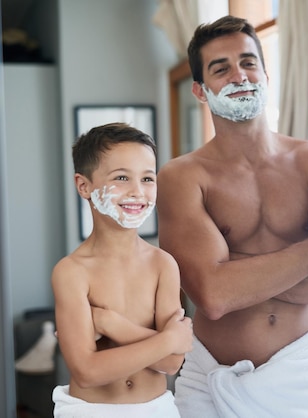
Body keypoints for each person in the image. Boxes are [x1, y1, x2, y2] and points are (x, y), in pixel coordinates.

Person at [156, 15, 308, 418]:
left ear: (266, 73)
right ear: (201, 91)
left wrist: (234, 275)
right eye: (221, 68)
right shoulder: (181, 177)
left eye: (248, 62)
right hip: (213, 382)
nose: (239, 74)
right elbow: (214, 298)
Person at [51, 122, 194, 417]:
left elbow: (171, 363)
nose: (137, 191)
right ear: (84, 185)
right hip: (89, 411)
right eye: (121, 178)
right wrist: (167, 339)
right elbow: (88, 371)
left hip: (157, 408)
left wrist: (110, 324)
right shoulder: (71, 272)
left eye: (147, 178)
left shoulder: (162, 264)